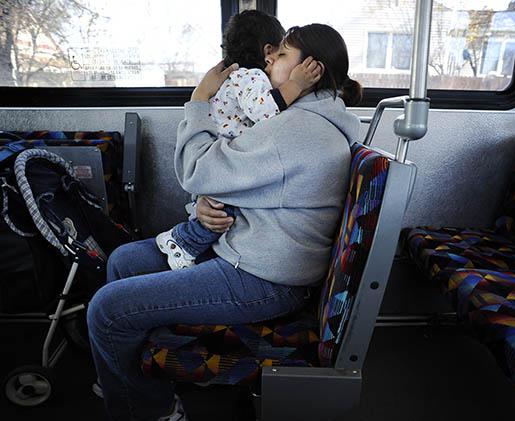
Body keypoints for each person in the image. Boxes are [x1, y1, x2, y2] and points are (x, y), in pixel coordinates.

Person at [87, 23, 362, 420]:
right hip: (250, 251)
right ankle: (136, 376)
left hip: (263, 279)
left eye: (282, 54)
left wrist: (199, 99)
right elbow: (254, 185)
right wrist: (207, 204)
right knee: (124, 261)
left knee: (107, 309)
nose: (270, 59)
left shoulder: (296, 131)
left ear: (313, 68)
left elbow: (196, 170)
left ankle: (150, 410)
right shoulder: (298, 121)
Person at [155, 10, 322, 270]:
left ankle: (182, 239)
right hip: (223, 156)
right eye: (281, 53)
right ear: (268, 51)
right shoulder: (251, 77)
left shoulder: (233, 79)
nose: (275, 61)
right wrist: (297, 84)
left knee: (221, 211)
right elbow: (266, 109)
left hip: (220, 157)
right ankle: (182, 242)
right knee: (224, 212)